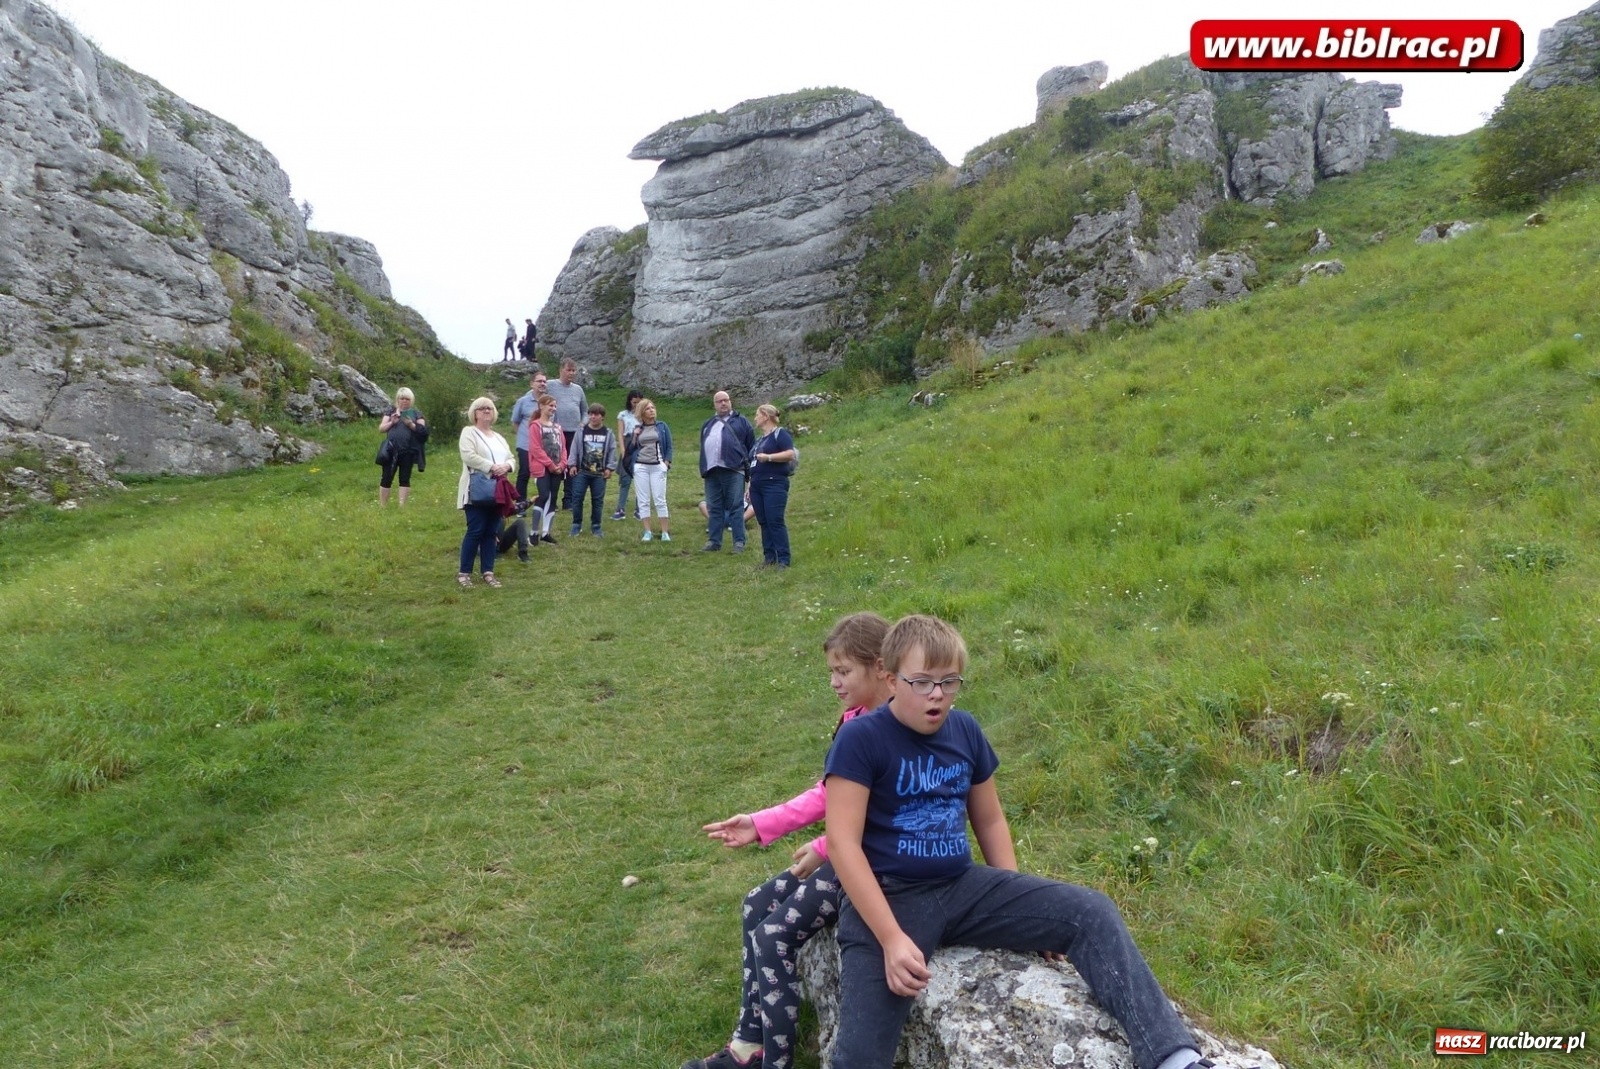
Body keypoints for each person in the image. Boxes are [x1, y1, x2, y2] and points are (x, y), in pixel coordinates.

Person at [823, 615, 1211, 1069]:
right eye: (922, 682)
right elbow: (842, 843)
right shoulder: (860, 738)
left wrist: (1016, 909)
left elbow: (988, 819)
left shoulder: (964, 730)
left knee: (1092, 911)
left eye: (950, 682)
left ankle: (1174, 1057)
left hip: (961, 884)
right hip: (891, 897)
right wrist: (891, 939)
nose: (937, 695)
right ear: (890, 679)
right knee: (861, 1055)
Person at [686, 613, 894, 1069]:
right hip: (842, 852)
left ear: (880, 666)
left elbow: (886, 810)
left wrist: (823, 850)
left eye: (844, 672)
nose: (835, 683)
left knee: (773, 936)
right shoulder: (854, 718)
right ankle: (748, 1040)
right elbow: (831, 792)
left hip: (870, 866)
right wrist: (761, 824)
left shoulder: (897, 726)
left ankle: (771, 1062)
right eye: (831, 673)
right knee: (755, 904)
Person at [456, 397, 515, 588]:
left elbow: (511, 458)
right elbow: (468, 456)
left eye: (489, 408)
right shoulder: (469, 432)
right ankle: (464, 573)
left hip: (497, 490)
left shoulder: (499, 437)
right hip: (477, 490)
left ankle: (488, 571)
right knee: (476, 530)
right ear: (475, 413)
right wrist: (492, 467)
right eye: (481, 408)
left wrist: (506, 466)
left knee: (491, 532)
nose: (486, 411)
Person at [699, 390, 755, 553]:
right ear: (714, 404)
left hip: (734, 469)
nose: (723, 403)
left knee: (736, 506)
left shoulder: (742, 422)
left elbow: (751, 446)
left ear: (730, 402)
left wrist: (750, 472)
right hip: (711, 471)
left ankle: (739, 542)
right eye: (719, 401)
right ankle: (714, 541)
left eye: (726, 400)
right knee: (714, 506)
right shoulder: (708, 424)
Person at [748, 404, 796, 569]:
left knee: (775, 520)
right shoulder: (759, 439)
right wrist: (749, 486)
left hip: (774, 483)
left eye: (757, 415)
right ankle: (769, 558)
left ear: (765, 416)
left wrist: (768, 457)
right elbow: (753, 464)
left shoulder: (780, 434)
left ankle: (783, 559)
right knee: (763, 521)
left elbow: (790, 454)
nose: (755, 418)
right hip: (756, 485)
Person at [567, 403, 618, 537]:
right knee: (577, 498)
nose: (593, 417)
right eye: (591, 414)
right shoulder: (581, 431)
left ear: (602, 417)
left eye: (596, 414)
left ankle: (596, 526)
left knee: (598, 500)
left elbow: (613, 451)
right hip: (581, 472)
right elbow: (574, 448)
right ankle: (576, 525)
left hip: (599, 474)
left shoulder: (608, 433)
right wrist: (572, 465)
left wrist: (609, 468)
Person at [545, 359, 588, 510]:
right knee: (556, 466)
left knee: (572, 466)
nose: (571, 373)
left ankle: (568, 501)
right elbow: (535, 396)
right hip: (555, 433)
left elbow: (585, 411)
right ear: (561, 370)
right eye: (568, 370)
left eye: (573, 370)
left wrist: (583, 422)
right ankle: (552, 501)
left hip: (574, 433)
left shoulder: (578, 390)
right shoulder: (550, 385)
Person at [630, 398, 673, 542]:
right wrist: (635, 435)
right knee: (643, 500)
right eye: (648, 408)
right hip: (641, 466)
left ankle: (665, 532)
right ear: (642, 412)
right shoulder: (638, 428)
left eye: (653, 407)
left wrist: (666, 463)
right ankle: (647, 531)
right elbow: (631, 449)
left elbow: (669, 446)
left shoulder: (662, 426)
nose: (652, 410)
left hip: (657, 466)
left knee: (660, 499)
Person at [376, 387, 427, 506]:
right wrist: (392, 422)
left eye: (407, 399)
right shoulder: (391, 411)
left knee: (404, 479)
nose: (404, 401)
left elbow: (423, 432)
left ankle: (402, 506)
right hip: (390, 450)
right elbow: (381, 429)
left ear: (411, 400)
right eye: (402, 398)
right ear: (397, 400)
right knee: (386, 478)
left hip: (408, 450)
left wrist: (411, 425)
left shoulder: (416, 414)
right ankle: (382, 506)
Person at [509, 368, 551, 500]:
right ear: (531, 384)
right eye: (539, 381)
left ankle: (545, 501)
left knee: (544, 474)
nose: (542, 384)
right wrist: (523, 437)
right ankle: (520, 504)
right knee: (524, 473)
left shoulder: (549, 403)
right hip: (525, 445)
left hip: (544, 446)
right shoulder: (523, 402)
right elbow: (515, 422)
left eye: (544, 381)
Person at [532, 392, 567, 544]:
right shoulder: (535, 426)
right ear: (541, 406)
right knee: (544, 496)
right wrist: (551, 465)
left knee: (553, 498)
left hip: (558, 469)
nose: (553, 408)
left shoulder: (558, 427)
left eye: (555, 406)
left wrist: (562, 464)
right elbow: (536, 448)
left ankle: (546, 533)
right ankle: (533, 532)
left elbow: (563, 448)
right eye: (550, 405)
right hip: (543, 468)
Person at [613, 389, 645, 522]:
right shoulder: (623, 415)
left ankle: (640, 509)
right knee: (625, 479)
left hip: (641, 446)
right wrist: (622, 449)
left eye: (638, 403)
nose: (636, 405)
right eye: (634, 402)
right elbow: (620, 433)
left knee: (640, 478)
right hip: (627, 444)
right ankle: (620, 508)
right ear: (629, 402)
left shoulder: (644, 415)